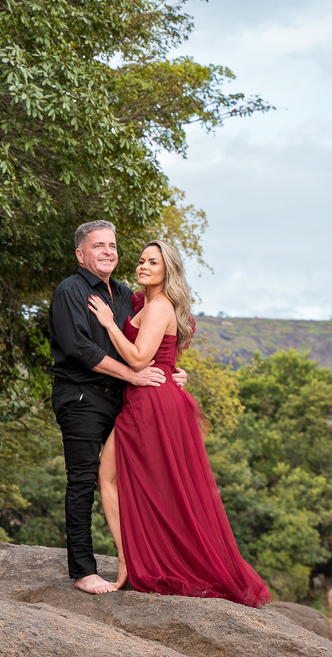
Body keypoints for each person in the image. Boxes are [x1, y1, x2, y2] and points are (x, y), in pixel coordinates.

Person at [86, 239, 272, 607]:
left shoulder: (159, 306)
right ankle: (132, 561)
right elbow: (162, 354)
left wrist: (108, 323)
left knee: (116, 478)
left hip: (151, 403)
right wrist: (173, 371)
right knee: (153, 484)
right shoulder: (145, 303)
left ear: (167, 270)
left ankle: (129, 565)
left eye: (152, 262)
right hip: (152, 398)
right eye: (140, 261)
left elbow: (139, 359)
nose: (142, 266)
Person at [49, 221, 187, 594]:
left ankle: (143, 560)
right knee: (83, 478)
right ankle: (83, 570)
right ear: (82, 254)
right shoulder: (70, 291)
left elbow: (152, 338)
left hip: (122, 398)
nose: (108, 251)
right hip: (81, 396)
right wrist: (136, 374)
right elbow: (80, 349)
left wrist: (171, 370)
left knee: (132, 477)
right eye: (98, 246)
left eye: (112, 245)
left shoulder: (127, 294)